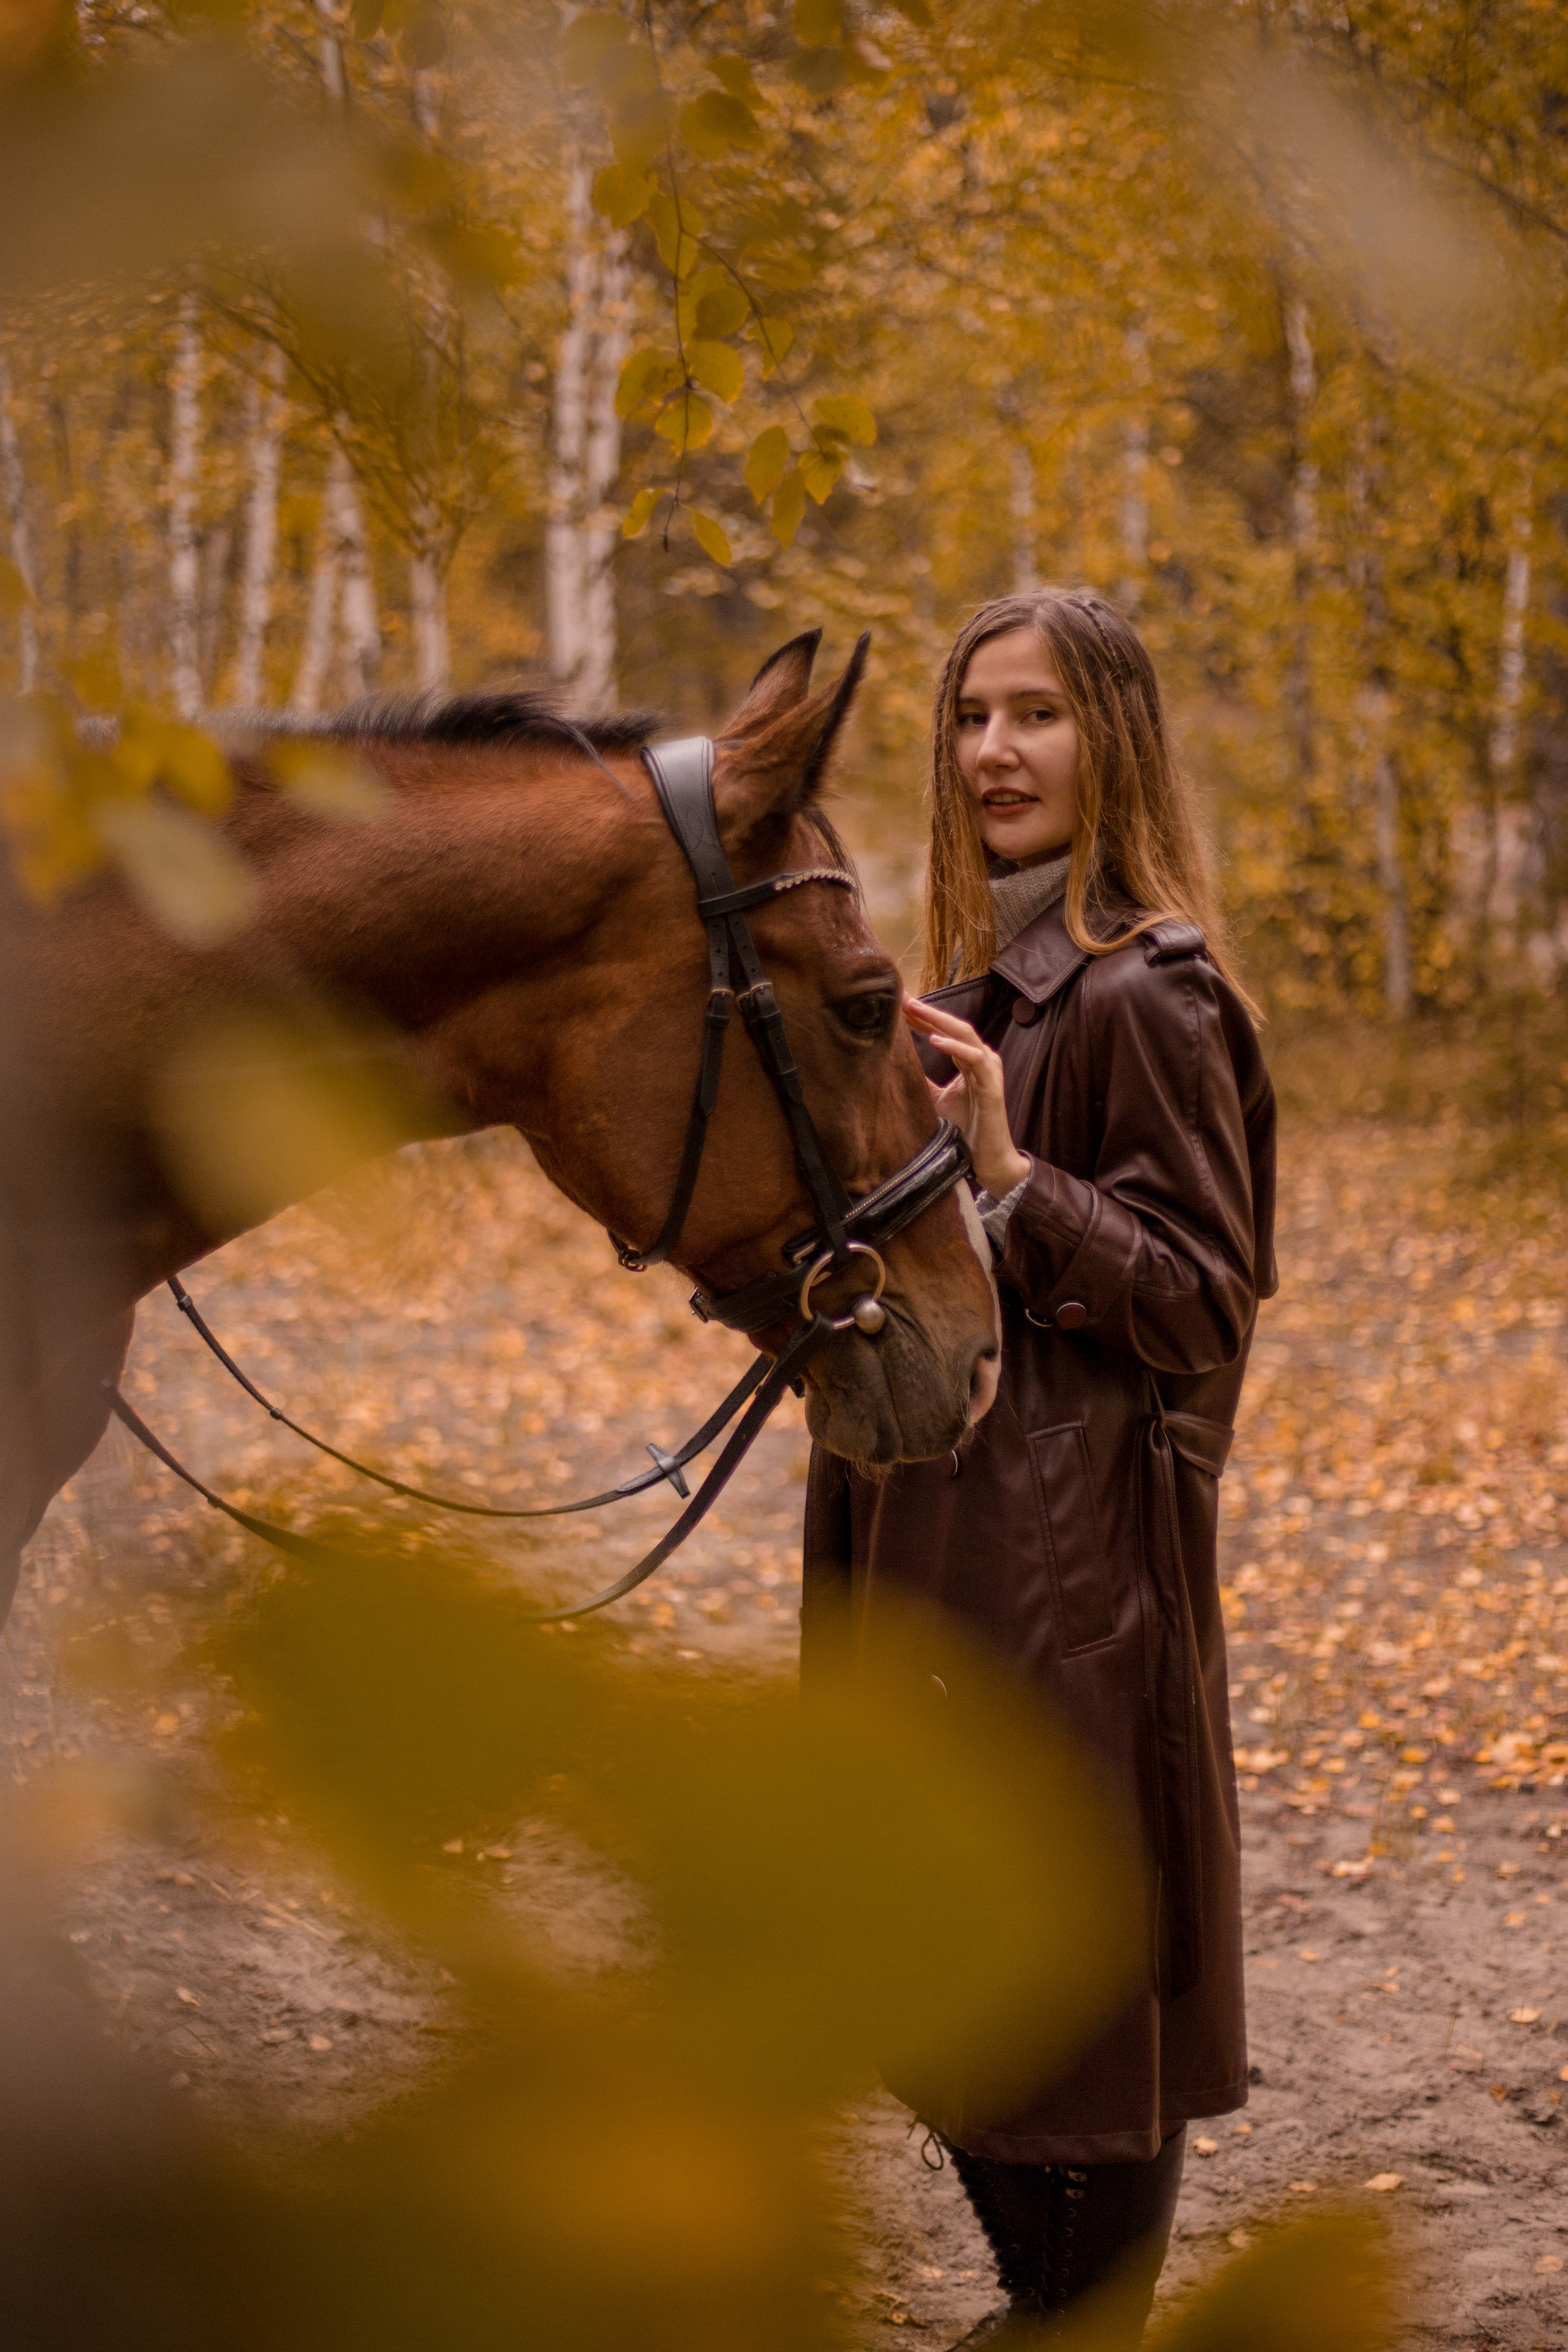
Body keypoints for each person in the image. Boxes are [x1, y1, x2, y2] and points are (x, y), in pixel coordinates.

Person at [802, 589, 1276, 2347]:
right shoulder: (945, 994)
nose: (995, 751)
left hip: (1072, 1578)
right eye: (972, 717)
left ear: (1115, 743)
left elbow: (1202, 1297)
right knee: (941, 1973)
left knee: (1065, 2014)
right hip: (926, 1544)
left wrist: (1010, 1170)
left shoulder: (1149, 995)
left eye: (1039, 715)